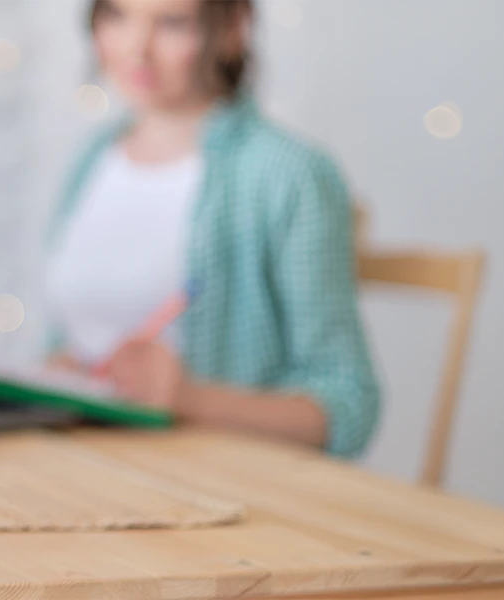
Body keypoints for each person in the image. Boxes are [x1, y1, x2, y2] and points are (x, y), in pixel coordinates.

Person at [44, 0, 380, 458]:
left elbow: (350, 404)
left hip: (216, 485)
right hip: (83, 463)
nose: (136, 49)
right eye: (117, 16)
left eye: (172, 23)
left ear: (232, 28)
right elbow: (65, 341)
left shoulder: (291, 174)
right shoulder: (91, 158)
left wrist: (189, 399)